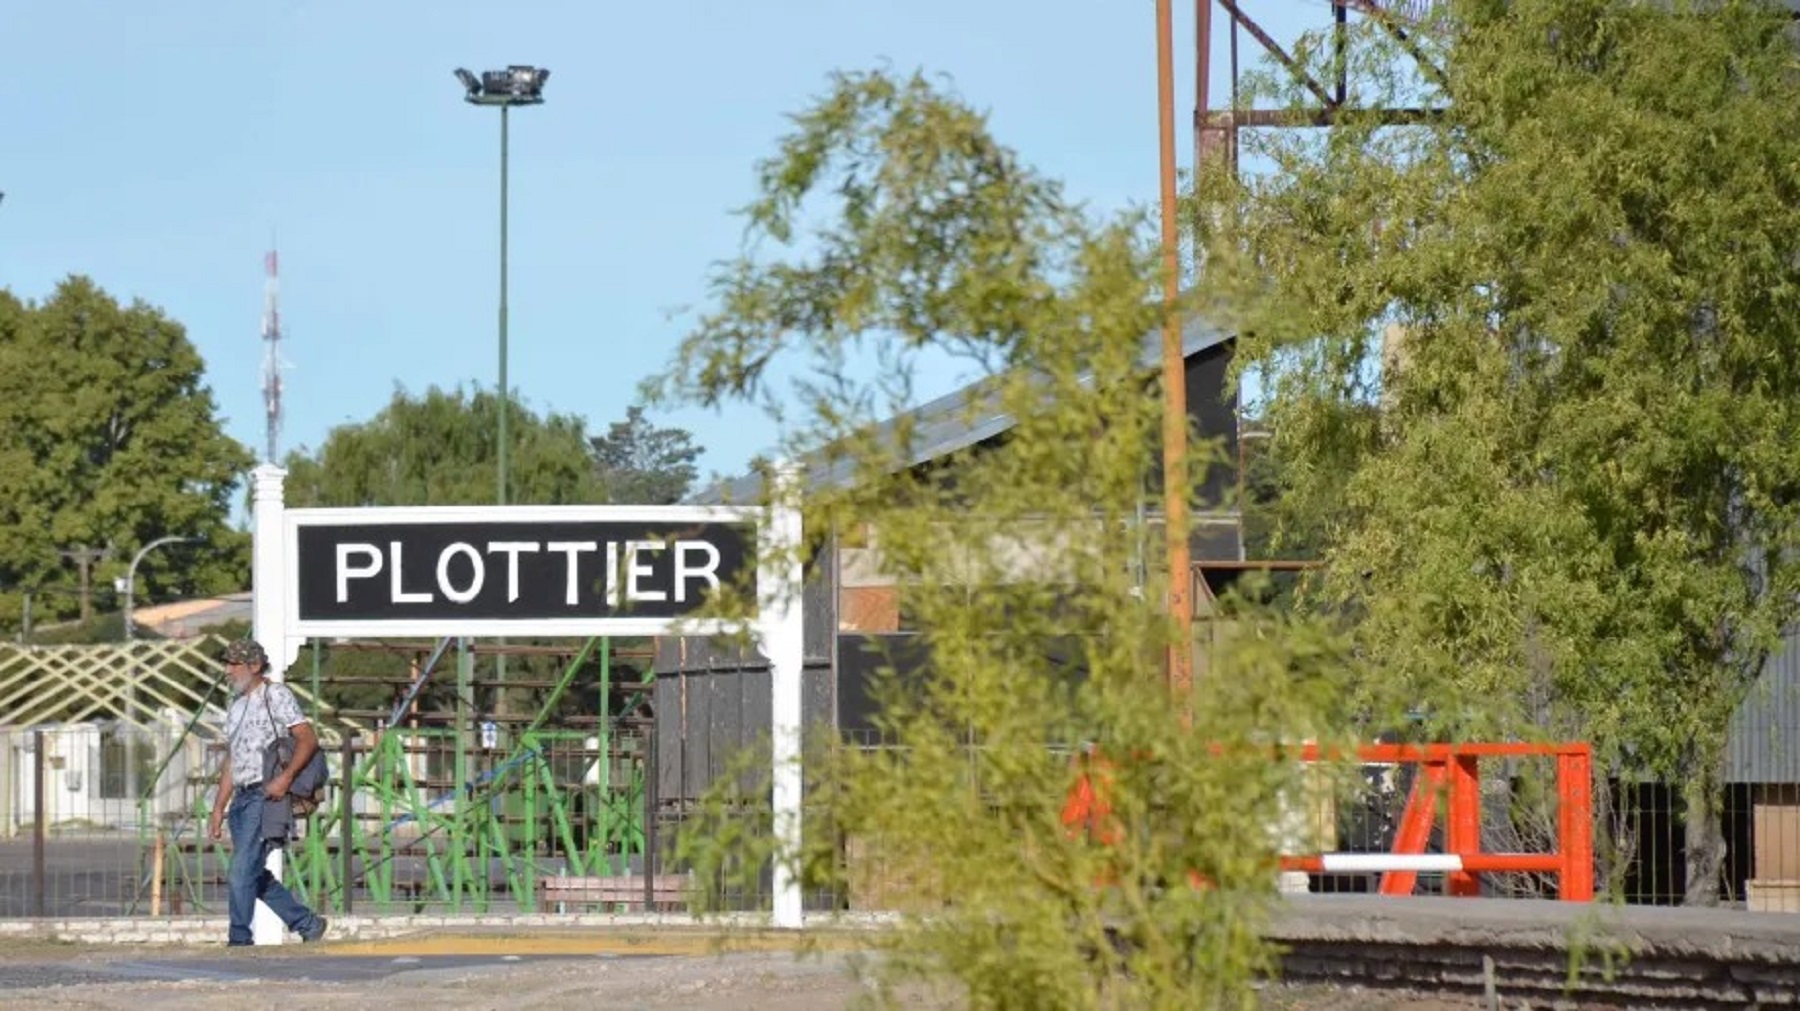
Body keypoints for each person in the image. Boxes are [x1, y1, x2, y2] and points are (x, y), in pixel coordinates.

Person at [206, 638, 328, 946]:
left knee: (240, 871)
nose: (228, 670)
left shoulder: (276, 696)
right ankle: (307, 923)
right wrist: (219, 807)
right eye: (228, 663)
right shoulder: (236, 707)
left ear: (254, 666)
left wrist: (285, 779)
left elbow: (307, 739)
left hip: (267, 794)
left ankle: (239, 940)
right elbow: (233, 759)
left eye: (234, 664)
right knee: (251, 873)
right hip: (242, 798)